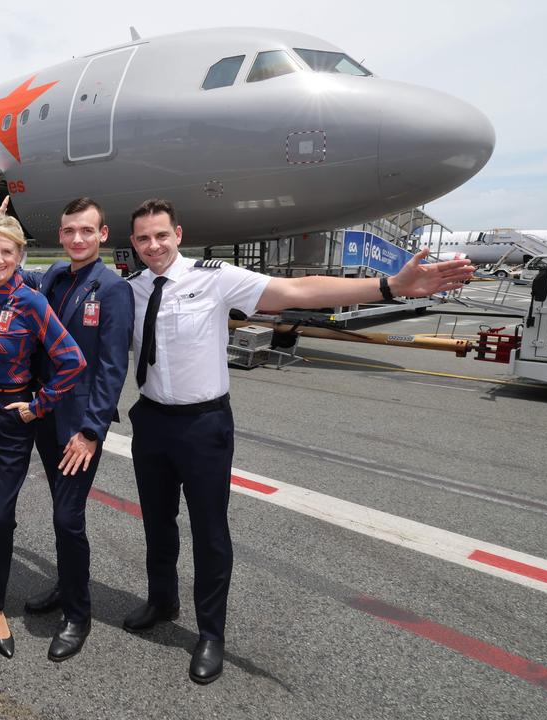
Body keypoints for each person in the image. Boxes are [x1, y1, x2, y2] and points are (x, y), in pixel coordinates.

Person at [120, 198, 474, 684]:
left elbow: (298, 289)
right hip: (152, 421)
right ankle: (161, 601)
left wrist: (390, 285)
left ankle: (210, 633)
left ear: (178, 234)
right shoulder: (132, 290)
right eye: (142, 238)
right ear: (133, 244)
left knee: (209, 532)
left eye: (161, 235)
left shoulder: (215, 276)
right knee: (158, 524)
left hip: (203, 426)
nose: (153, 245)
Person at [19, 198, 134, 662]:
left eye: (87, 231)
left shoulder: (112, 289)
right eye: (69, 231)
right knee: (59, 511)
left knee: (68, 517)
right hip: (46, 415)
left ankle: (77, 614)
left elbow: (112, 366)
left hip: (77, 427)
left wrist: (92, 430)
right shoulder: (54, 277)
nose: (77, 239)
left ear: (102, 235)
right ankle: (65, 587)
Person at [0, 213, 85, 660]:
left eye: (7, 252)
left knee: (0, 515)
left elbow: (72, 360)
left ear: (20, 255)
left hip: (12, 415)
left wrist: (38, 404)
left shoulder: (32, 302)